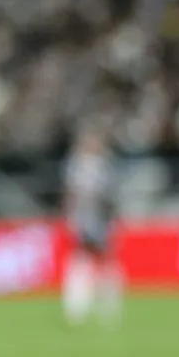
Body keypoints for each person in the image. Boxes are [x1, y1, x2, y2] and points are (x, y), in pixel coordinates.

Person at [60, 130, 123, 327]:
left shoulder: (99, 166)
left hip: (98, 219)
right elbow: (71, 194)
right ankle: (80, 309)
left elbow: (110, 197)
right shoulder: (79, 165)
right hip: (87, 219)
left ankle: (103, 308)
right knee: (84, 261)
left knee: (99, 262)